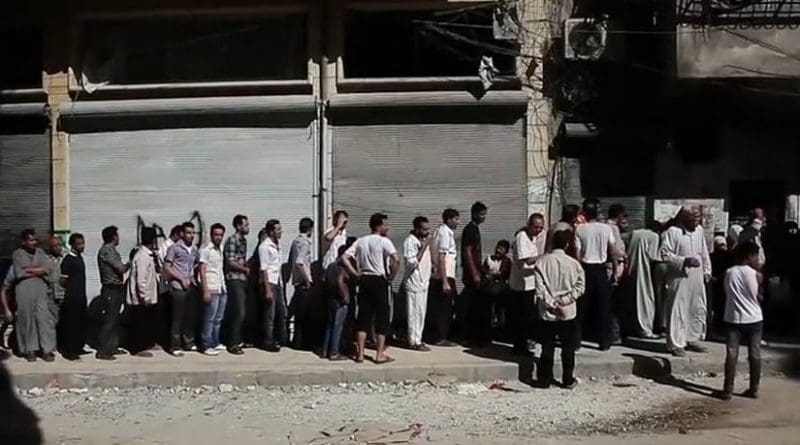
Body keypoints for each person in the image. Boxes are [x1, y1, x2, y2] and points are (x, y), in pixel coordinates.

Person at [343, 213, 400, 363]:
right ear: (379, 226)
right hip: (379, 280)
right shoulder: (384, 241)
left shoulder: (361, 241)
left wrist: (355, 273)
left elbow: (344, 257)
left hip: (365, 279)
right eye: (385, 225)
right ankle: (379, 354)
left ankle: (360, 353)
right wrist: (392, 275)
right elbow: (396, 259)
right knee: (382, 317)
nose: (387, 228)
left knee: (363, 316)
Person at [535, 230, 585, 389]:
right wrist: (564, 301)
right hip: (568, 311)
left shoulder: (541, 263)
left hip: (547, 312)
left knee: (547, 345)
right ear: (566, 245)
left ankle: (544, 379)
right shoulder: (574, 264)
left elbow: (540, 290)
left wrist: (552, 304)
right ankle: (567, 379)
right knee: (568, 347)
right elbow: (580, 287)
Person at [660, 206, 712, 357]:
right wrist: (684, 261)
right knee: (678, 309)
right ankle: (676, 343)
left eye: (698, 218)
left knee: (696, 306)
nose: (696, 221)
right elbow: (665, 254)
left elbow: (704, 252)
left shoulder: (699, 231)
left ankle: (692, 337)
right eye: (693, 218)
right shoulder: (672, 232)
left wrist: (707, 270)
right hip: (679, 276)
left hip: (697, 276)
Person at [720, 241, 763, 400]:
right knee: (755, 354)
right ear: (750, 256)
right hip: (754, 318)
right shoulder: (756, 275)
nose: (758, 259)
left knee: (731, 354)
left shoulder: (729, 272)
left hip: (733, 318)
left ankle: (728, 389)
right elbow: (759, 296)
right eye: (756, 256)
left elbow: (727, 293)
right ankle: (754, 388)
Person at [575, 200, 618, 351]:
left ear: (585, 213)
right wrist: (615, 269)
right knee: (603, 306)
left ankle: (576, 341)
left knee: (581, 306)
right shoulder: (606, 228)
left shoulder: (580, 229)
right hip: (601, 268)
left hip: (586, 268)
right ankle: (604, 341)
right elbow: (612, 250)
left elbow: (578, 253)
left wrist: (578, 272)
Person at [12, 230, 56, 362]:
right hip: (24, 289)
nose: (34, 243)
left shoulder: (41, 253)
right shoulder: (18, 254)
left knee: (43, 318)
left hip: (40, 288)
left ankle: (46, 350)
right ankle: (29, 350)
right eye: (31, 240)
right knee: (26, 319)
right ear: (24, 242)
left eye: (35, 240)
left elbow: (47, 269)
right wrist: (38, 270)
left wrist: (29, 269)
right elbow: (19, 273)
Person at [509, 213, 545, 354]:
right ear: (529, 225)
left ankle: (524, 343)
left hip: (529, 284)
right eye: (536, 227)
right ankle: (519, 346)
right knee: (521, 318)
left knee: (528, 317)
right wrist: (544, 256)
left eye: (541, 228)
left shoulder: (533, 238)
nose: (538, 230)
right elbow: (526, 260)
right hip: (520, 285)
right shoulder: (522, 237)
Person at [164, 221, 199, 356]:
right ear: (182, 234)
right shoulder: (175, 248)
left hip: (190, 285)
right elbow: (167, 267)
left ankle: (189, 342)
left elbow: (194, 266)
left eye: (193, 233)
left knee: (189, 316)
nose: (191, 236)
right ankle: (175, 345)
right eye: (188, 233)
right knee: (177, 317)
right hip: (178, 286)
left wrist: (192, 279)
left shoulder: (194, 249)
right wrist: (180, 278)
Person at [426, 208, 460, 347]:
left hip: (440, 275)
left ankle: (437, 335)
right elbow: (442, 256)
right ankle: (441, 337)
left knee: (440, 307)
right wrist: (445, 281)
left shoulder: (439, 232)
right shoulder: (445, 233)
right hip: (445, 276)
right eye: (456, 219)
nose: (458, 222)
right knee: (445, 309)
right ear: (449, 219)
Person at [95, 226, 130, 361]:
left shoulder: (111, 250)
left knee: (115, 319)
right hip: (111, 289)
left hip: (116, 288)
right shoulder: (107, 251)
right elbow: (121, 269)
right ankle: (103, 350)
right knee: (109, 320)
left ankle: (112, 346)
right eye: (117, 235)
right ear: (113, 237)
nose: (119, 237)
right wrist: (130, 262)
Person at [124, 227, 159, 357]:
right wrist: (145, 297)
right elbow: (141, 280)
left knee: (146, 322)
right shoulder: (142, 256)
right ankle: (137, 348)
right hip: (140, 299)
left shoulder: (146, 254)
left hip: (145, 298)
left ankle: (147, 343)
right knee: (139, 323)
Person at [627, 220, 662, 339]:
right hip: (644, 271)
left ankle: (634, 328)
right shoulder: (654, 236)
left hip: (631, 269)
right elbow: (653, 256)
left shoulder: (635, 233)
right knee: (646, 300)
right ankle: (646, 330)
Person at [461, 201, 489, 346]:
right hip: (471, 274)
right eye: (482, 214)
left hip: (477, 271)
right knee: (471, 306)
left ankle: (476, 335)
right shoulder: (469, 230)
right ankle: (468, 336)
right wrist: (474, 273)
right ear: (474, 214)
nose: (484, 217)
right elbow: (467, 251)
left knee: (478, 305)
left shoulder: (476, 229)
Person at [403, 216, 432, 351]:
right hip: (415, 283)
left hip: (423, 282)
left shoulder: (421, 240)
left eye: (428, 229)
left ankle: (418, 338)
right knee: (415, 313)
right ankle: (414, 341)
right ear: (417, 229)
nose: (427, 232)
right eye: (424, 229)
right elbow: (411, 262)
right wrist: (424, 247)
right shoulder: (410, 242)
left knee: (421, 313)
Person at [58, 233, 89, 360]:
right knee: (71, 324)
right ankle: (69, 351)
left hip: (81, 296)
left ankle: (78, 347)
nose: (82, 246)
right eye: (79, 244)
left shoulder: (79, 258)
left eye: (83, 243)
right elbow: (62, 281)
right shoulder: (68, 260)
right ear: (72, 245)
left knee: (80, 324)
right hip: (72, 298)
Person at [223, 214, 250, 355]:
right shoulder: (232, 240)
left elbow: (241, 259)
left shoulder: (243, 241)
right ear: (238, 226)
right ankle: (232, 343)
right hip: (234, 279)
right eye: (246, 225)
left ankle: (238, 339)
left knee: (241, 311)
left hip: (242, 278)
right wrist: (245, 269)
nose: (248, 227)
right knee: (239, 311)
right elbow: (231, 262)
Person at [198, 223, 227, 356]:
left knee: (218, 318)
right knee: (209, 317)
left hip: (221, 286)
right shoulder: (206, 250)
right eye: (216, 235)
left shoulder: (220, 248)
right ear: (211, 235)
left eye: (221, 235)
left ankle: (215, 341)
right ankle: (205, 344)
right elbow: (202, 269)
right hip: (211, 286)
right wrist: (205, 289)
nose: (218, 237)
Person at [322, 244, 355, 360]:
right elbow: (340, 280)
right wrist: (345, 296)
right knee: (338, 326)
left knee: (330, 325)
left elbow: (324, 280)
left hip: (330, 298)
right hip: (339, 300)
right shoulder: (342, 267)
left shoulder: (331, 266)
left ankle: (325, 350)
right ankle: (334, 352)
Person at [258, 219, 286, 352]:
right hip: (269, 282)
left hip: (277, 281)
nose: (280, 232)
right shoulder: (265, 247)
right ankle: (267, 341)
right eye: (278, 229)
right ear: (271, 231)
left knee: (280, 312)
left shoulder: (277, 245)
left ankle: (278, 338)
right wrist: (268, 289)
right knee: (270, 314)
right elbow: (263, 269)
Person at [288, 218, 314, 350]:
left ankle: (297, 341)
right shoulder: (304, 243)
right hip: (303, 283)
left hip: (297, 282)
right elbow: (299, 262)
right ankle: (302, 343)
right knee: (305, 314)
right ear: (310, 229)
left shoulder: (295, 241)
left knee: (298, 313)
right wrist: (307, 280)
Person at [483, 240, 512, 338]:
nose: (498, 250)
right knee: (489, 311)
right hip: (489, 289)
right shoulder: (489, 259)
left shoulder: (507, 262)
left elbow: (505, 274)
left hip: (501, 290)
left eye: (501, 249)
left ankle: (500, 332)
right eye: (498, 247)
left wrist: (496, 275)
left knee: (500, 312)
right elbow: (484, 271)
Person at [1, 266, 16, 350]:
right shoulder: (14, 269)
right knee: (8, 320)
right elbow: (4, 290)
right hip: (10, 300)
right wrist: (6, 309)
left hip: (15, 300)